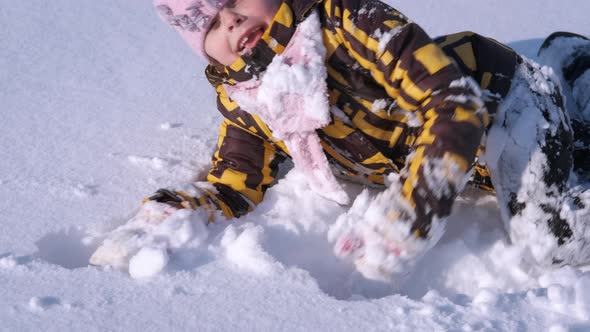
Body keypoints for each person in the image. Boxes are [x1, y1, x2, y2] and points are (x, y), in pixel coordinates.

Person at [91, 0, 590, 281]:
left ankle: (565, 70)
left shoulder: (349, 23)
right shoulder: (252, 101)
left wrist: (414, 208)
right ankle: (567, 60)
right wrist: (167, 215)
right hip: (475, 159)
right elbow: (233, 184)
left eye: (236, 0)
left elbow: (454, 104)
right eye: (212, 23)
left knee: (550, 243)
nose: (232, 20)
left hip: (506, 104)